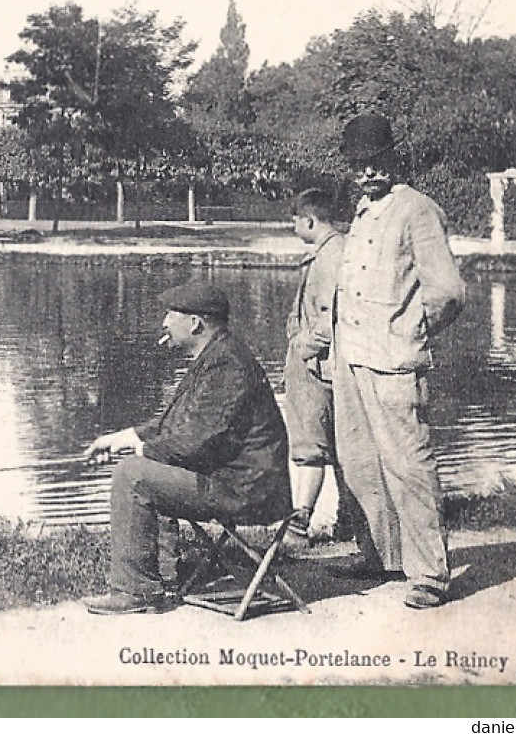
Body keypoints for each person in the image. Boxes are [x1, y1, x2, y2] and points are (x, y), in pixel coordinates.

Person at [80, 282, 291, 615]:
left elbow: (196, 443)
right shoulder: (215, 355)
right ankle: (162, 575)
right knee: (146, 468)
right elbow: (176, 424)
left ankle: (135, 590)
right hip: (232, 480)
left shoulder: (226, 365)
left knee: (132, 475)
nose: (164, 322)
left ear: (195, 323)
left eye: (170, 314)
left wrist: (140, 454)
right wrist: (123, 438)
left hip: (246, 491)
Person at [330, 113, 466, 610]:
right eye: (358, 165)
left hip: (394, 360)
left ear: (393, 157)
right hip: (352, 359)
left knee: (409, 464)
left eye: (374, 162)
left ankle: (431, 572)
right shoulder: (364, 210)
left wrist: (410, 329)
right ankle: (380, 555)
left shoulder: (418, 210)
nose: (366, 173)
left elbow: (448, 292)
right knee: (360, 462)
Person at [280, 187, 346, 553]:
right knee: (337, 447)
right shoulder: (334, 251)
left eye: (294, 220)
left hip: (317, 368)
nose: (293, 226)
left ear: (309, 220)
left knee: (310, 446)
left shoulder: (331, 256)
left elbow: (327, 319)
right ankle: (349, 519)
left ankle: (299, 522)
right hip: (323, 366)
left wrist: (301, 349)